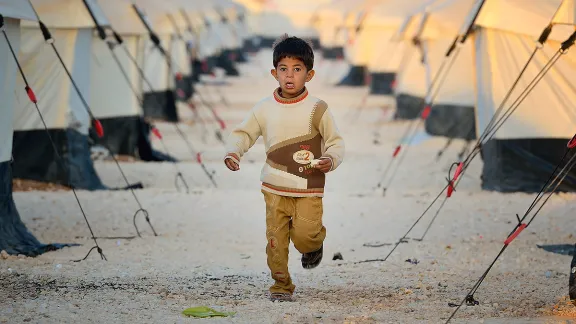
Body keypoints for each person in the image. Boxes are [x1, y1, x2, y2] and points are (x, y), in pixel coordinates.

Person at [223, 34, 345, 302]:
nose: (290, 76)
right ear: (274, 73)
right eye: (283, 69)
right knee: (275, 241)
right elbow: (244, 133)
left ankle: (314, 245)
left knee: (305, 236)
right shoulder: (264, 108)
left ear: (309, 75)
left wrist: (330, 159)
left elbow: (335, 142)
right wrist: (234, 152)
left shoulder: (317, 109)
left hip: (308, 187)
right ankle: (280, 286)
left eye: (297, 69)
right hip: (273, 186)